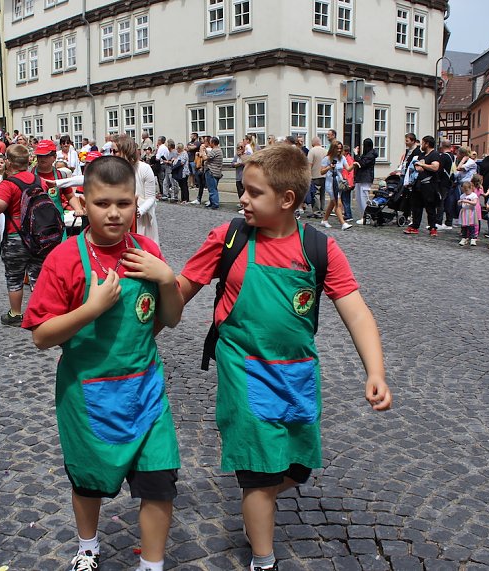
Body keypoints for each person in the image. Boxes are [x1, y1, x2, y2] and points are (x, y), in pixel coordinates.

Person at [176, 144, 391, 571]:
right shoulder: (229, 238)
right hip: (242, 368)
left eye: (253, 192)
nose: (242, 199)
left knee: (295, 468)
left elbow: (355, 309)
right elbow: (179, 292)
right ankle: (263, 559)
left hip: (297, 372)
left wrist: (376, 371)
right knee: (258, 473)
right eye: (243, 189)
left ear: (287, 199)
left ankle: (262, 501)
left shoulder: (319, 248)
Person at [23, 156, 184, 571]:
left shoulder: (147, 252)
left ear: (136, 203)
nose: (114, 213)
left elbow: (168, 318)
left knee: (159, 481)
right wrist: (90, 309)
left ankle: (152, 566)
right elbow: (42, 336)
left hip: (146, 391)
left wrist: (166, 279)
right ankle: (88, 547)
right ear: (82, 202)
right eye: (102, 203)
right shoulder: (64, 259)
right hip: (88, 394)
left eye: (124, 203)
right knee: (88, 480)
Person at [0, 144, 50, 326]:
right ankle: (40, 313)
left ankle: (15, 313)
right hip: (38, 236)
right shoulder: (39, 181)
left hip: (16, 237)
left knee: (15, 276)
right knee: (37, 276)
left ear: (9, 162)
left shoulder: (9, 184)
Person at [404, 136, 441, 236]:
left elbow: (435, 167)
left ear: (427, 144)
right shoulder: (422, 155)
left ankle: (433, 227)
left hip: (429, 185)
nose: (421, 145)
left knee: (430, 207)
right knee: (416, 206)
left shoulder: (434, 154)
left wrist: (423, 165)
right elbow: (418, 167)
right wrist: (419, 166)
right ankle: (415, 226)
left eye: (423, 143)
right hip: (419, 184)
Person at [318, 140, 354, 230]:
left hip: (339, 183)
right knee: (338, 203)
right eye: (337, 148)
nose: (339, 150)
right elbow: (322, 172)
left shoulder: (342, 158)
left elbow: (348, 169)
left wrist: (354, 165)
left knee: (332, 202)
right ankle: (343, 223)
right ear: (333, 149)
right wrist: (329, 167)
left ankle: (324, 220)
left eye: (340, 148)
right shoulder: (327, 159)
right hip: (330, 183)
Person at [352, 138, 377, 222]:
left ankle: (367, 217)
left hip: (366, 178)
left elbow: (362, 163)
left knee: (364, 198)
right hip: (360, 177)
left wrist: (356, 154)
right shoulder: (366, 154)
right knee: (359, 198)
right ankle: (363, 216)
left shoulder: (371, 154)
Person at [306, 137, 327, 218]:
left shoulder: (312, 151)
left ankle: (317, 211)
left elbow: (309, 164)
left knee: (316, 193)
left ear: (313, 143)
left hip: (315, 175)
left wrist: (308, 175)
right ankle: (322, 210)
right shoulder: (325, 151)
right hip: (324, 175)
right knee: (322, 193)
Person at [201, 137, 223, 210]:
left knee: (212, 189)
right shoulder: (218, 150)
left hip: (211, 172)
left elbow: (204, 158)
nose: (209, 143)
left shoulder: (215, 150)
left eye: (210, 142)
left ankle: (215, 204)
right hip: (216, 172)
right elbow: (210, 156)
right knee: (212, 188)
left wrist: (202, 151)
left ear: (213, 143)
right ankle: (212, 202)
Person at [457, 181, 479, 246]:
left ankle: (473, 238)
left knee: (471, 226)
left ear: (471, 188)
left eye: (467, 190)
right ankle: (464, 237)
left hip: (471, 212)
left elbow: (475, 203)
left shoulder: (473, 195)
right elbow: (460, 204)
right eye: (464, 190)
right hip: (464, 212)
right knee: (464, 226)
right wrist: (459, 202)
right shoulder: (462, 195)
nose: (466, 192)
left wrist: (466, 201)